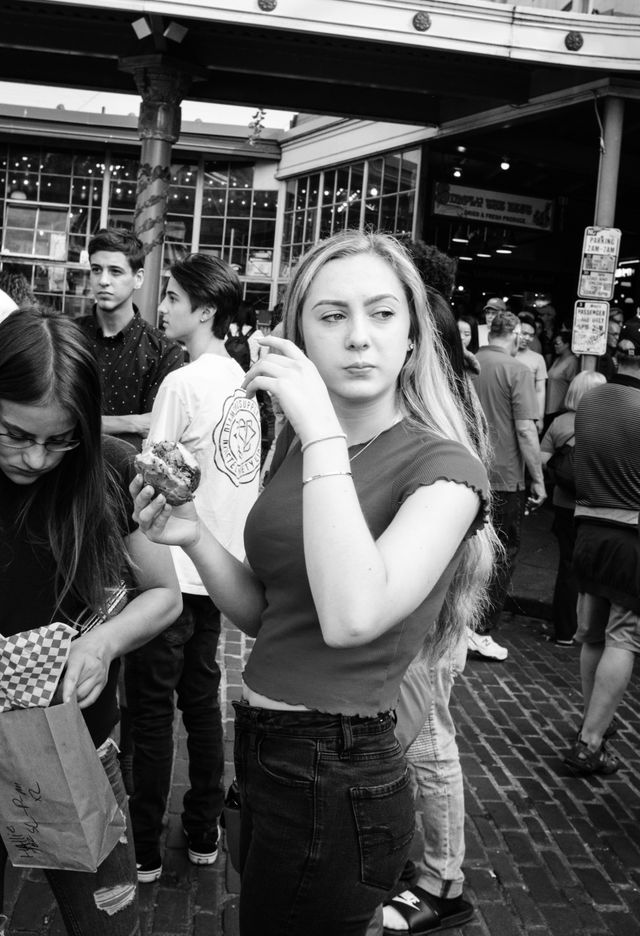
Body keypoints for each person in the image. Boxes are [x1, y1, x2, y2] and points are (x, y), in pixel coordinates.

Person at [132, 230, 495, 936]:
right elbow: (270, 618)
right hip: (271, 749)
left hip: (341, 765)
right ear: (297, 339)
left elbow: (353, 617)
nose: (360, 337)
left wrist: (320, 432)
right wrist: (195, 536)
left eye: (383, 314)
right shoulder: (300, 450)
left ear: (415, 340)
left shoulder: (444, 469)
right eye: (332, 316)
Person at [0, 307, 181, 936]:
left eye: (59, 439)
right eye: (15, 434)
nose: (38, 458)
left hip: (77, 747)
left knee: (104, 921)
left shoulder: (109, 467)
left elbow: (164, 594)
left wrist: (103, 644)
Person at [126, 254, 261, 883]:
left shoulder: (183, 382)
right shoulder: (240, 380)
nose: (164, 307)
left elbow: (152, 473)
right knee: (202, 701)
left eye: (174, 298)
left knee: (151, 711)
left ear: (205, 311)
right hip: (222, 569)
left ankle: (146, 845)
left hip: (175, 569)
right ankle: (204, 830)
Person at [378, 290, 494, 936]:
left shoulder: (440, 415)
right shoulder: (437, 404)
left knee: (428, 738)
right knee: (417, 734)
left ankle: (444, 878)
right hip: (429, 607)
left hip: (434, 609)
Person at [564, 323, 640, 776]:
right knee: (624, 638)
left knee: (592, 635)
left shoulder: (591, 399)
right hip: (631, 535)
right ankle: (590, 742)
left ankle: (593, 722)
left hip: (588, 528)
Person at [473, 311, 546, 659]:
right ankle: (482, 629)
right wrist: (538, 478)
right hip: (505, 475)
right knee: (501, 553)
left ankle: (456, 621)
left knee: (464, 548)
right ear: (515, 334)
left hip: (467, 466)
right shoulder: (518, 370)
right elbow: (526, 430)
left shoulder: (468, 363)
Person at [77, 228, 186, 451]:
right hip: (65, 472)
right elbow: (58, 417)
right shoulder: (69, 335)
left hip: (125, 478)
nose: (103, 281)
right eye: (96, 270)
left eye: (115, 272)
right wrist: (132, 422)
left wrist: (87, 423)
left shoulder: (164, 351)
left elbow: (156, 431)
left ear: (138, 278)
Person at [540, 372, 606, 646]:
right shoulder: (608, 423)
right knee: (594, 568)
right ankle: (590, 629)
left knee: (567, 566)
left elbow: (543, 459)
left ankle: (564, 630)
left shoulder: (560, 422)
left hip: (564, 503)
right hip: (596, 505)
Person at [517, 311, 547, 433]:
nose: (527, 338)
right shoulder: (505, 354)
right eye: (524, 334)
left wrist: (540, 417)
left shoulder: (538, 358)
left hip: (528, 414)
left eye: (531, 335)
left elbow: (540, 390)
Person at [544, 329, 579, 430]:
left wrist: (564, 406)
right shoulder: (557, 359)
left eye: (557, 343)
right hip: (549, 407)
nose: (554, 345)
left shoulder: (572, 362)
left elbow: (573, 385)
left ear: (567, 344)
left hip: (559, 409)